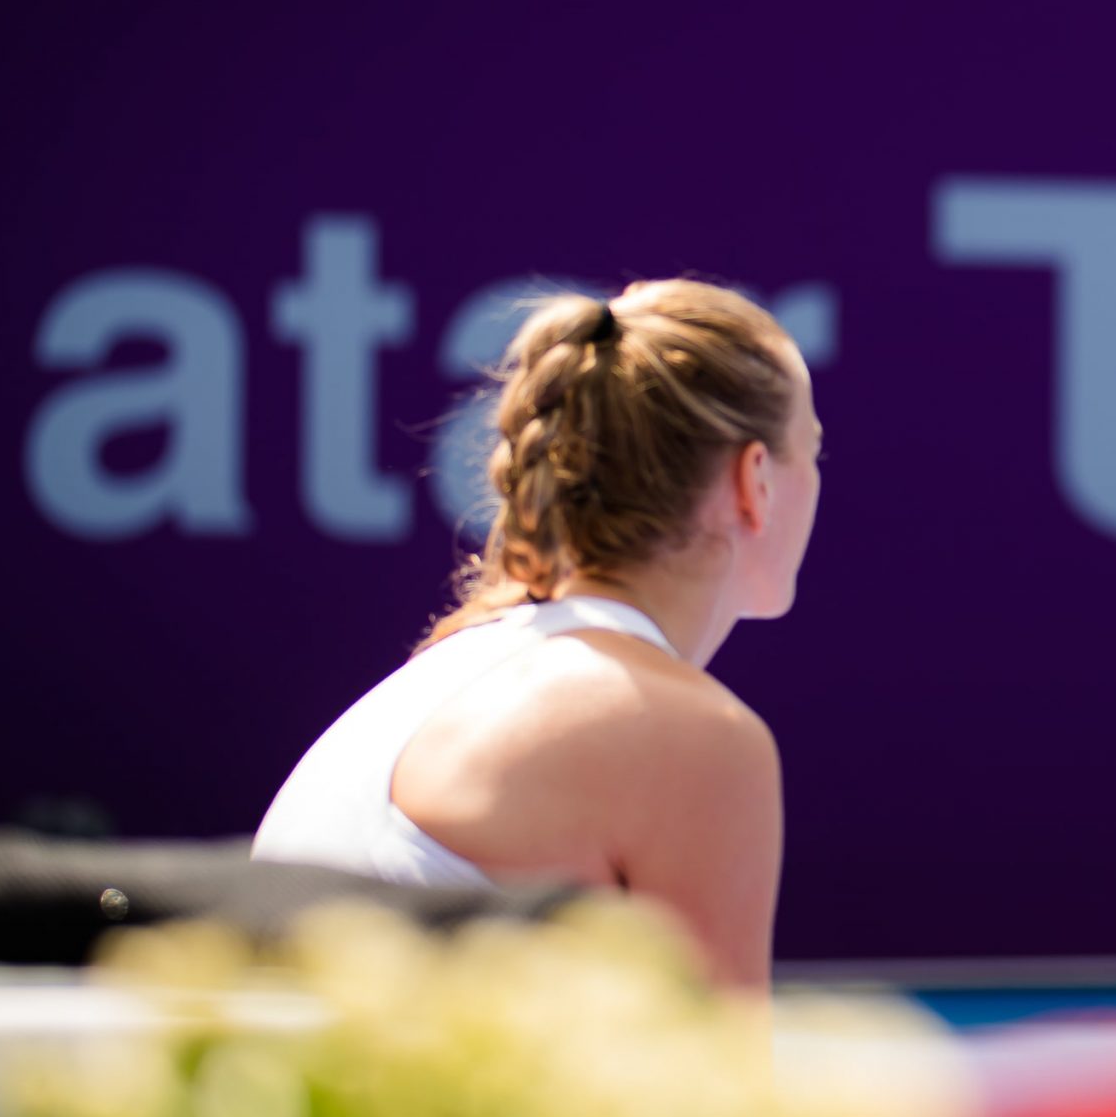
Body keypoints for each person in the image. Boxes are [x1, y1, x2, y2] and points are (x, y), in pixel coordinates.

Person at [254, 280, 818, 991]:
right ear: (755, 481)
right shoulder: (697, 734)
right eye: (812, 450)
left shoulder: (455, 674)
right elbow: (723, 1091)